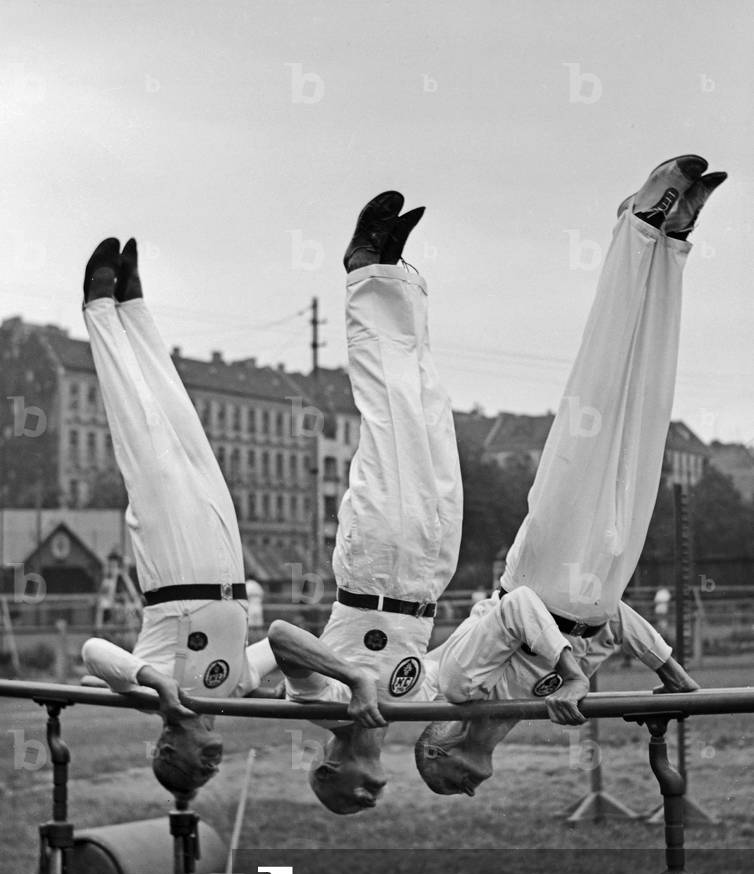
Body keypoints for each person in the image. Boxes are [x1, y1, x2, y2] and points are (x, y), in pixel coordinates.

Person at [414, 155, 726, 797]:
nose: (468, 788)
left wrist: (573, 673)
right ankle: (671, 245)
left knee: (604, 383)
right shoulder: (535, 705)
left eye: (452, 782)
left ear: (438, 746)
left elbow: (518, 612)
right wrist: (671, 673)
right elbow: (612, 621)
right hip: (599, 584)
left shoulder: (458, 686)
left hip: (548, 566)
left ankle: (639, 225)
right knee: (646, 410)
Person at [244, 191, 466, 814]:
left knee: (390, 418)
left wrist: (353, 677)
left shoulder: (316, 704)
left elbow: (285, 635)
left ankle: (364, 270)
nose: (378, 788)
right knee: (429, 412)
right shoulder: (406, 707)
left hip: (373, 564)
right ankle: (396, 277)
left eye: (358, 792)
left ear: (328, 765)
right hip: (428, 569)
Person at [79, 239, 284, 798]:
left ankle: (100, 308)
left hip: (172, 566)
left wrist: (155, 683)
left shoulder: (151, 696)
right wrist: (295, 691)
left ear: (169, 747)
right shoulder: (234, 688)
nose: (214, 765)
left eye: (200, 767)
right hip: (226, 562)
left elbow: (93, 653)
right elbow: (283, 645)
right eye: (211, 772)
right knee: (187, 428)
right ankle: (136, 308)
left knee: (143, 437)